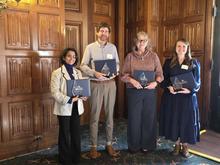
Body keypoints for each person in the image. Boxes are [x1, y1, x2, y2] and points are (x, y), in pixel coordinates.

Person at [80, 22, 120, 159]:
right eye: (101, 31)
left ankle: (109, 144)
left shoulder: (113, 47)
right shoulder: (90, 47)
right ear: (97, 33)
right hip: (95, 84)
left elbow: (117, 64)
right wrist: (94, 73)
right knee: (95, 116)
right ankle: (93, 147)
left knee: (110, 116)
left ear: (109, 34)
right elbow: (83, 65)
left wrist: (115, 72)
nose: (104, 33)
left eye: (106, 31)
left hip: (110, 84)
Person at [120, 31, 163, 153]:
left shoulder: (154, 56)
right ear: (136, 42)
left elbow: (160, 74)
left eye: (144, 40)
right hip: (134, 91)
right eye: (139, 40)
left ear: (147, 42)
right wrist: (132, 81)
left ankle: (147, 145)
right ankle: (134, 146)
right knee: (134, 118)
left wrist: (156, 83)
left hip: (150, 92)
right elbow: (123, 75)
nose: (142, 42)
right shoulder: (130, 56)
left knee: (149, 118)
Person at [159, 39, 201, 158]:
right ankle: (177, 144)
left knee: (186, 122)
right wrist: (168, 87)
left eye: (184, 46)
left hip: (187, 98)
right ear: (175, 48)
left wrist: (190, 90)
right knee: (175, 120)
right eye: (178, 46)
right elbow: (163, 78)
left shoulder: (194, 63)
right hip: (172, 98)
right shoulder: (168, 62)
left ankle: (185, 146)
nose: (181, 48)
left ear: (187, 48)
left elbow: (197, 82)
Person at [50, 48, 87, 165]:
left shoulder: (78, 72)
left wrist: (83, 95)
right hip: (64, 107)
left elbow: (81, 88)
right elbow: (54, 92)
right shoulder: (57, 73)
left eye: (74, 57)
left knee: (76, 133)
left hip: (76, 107)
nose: (72, 58)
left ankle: (76, 158)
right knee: (65, 134)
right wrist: (70, 99)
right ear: (64, 57)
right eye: (69, 56)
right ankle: (65, 160)